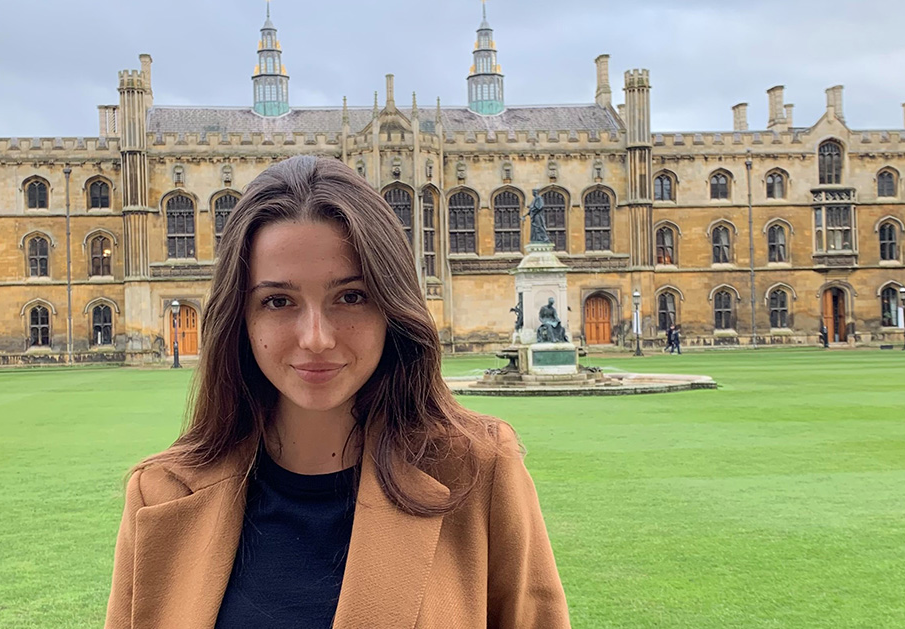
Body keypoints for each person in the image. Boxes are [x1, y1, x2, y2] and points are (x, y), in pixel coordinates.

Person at [104, 156, 569, 628]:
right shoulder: (159, 495)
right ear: (240, 319)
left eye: (350, 296)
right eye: (278, 301)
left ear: (391, 305)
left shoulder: (479, 472)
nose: (316, 338)